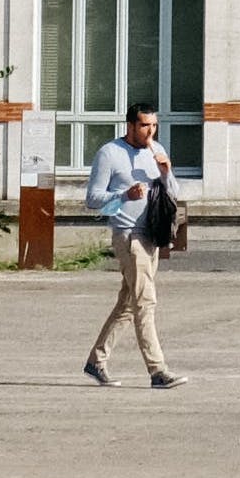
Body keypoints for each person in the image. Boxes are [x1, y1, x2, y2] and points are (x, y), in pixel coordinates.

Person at [82, 104, 186, 389]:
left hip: (152, 235)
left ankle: (96, 361)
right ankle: (158, 370)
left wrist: (166, 173)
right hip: (128, 236)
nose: (150, 131)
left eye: (153, 126)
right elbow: (92, 199)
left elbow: (173, 193)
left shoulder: (156, 150)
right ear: (130, 125)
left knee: (128, 304)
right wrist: (124, 193)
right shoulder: (110, 153)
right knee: (145, 302)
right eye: (144, 126)